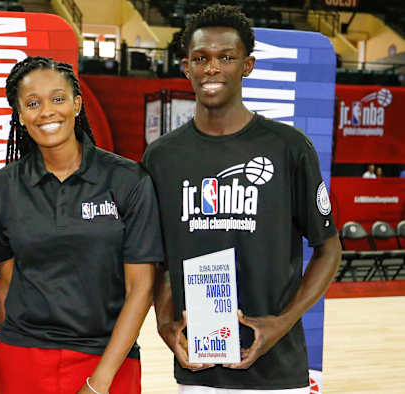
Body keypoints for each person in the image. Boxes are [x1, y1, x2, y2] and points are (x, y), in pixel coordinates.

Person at [142, 5, 342, 393]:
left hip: (280, 370)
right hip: (200, 370)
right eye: (200, 58)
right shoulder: (161, 157)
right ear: (186, 66)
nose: (211, 68)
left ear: (247, 65)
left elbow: (329, 249)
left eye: (226, 58)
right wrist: (165, 324)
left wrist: (281, 323)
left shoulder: (289, 147)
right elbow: (159, 261)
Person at [0, 57, 163, 394]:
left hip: (107, 360)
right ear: (20, 115)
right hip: (23, 359)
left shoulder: (128, 180)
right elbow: (6, 280)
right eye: (33, 103)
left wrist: (100, 382)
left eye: (57, 98)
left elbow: (140, 289)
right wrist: (10, 361)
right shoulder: (2, 187)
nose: (47, 111)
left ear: (77, 104)